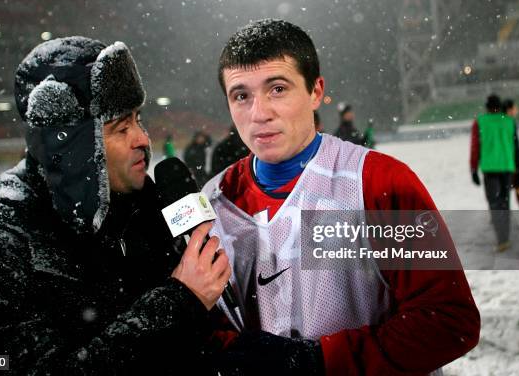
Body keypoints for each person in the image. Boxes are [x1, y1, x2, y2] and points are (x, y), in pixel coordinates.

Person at [204, 19, 480, 375]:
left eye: (277, 89)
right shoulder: (214, 201)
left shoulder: (379, 183)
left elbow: (448, 320)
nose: (259, 114)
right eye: (241, 95)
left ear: (316, 91)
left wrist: (320, 361)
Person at [0, 36, 230, 375]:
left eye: (138, 120)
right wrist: (179, 301)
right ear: (73, 146)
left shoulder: (145, 218)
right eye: (121, 127)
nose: (143, 138)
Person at [470, 94, 519, 251]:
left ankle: (501, 239)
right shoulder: (510, 121)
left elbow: (475, 147)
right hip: (506, 168)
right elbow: (516, 148)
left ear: (487, 107)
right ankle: (505, 236)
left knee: (494, 203)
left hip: (490, 169)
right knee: (505, 202)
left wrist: (473, 169)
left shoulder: (479, 122)